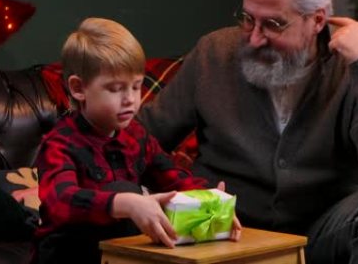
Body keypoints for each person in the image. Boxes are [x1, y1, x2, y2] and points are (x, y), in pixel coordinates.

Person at [139, 0, 358, 264]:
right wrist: (149, 199)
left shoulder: (348, 67)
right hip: (228, 237)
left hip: (318, 234)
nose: (255, 37)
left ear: (317, 20)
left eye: (273, 24)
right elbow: (138, 141)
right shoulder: (213, 54)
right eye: (248, 18)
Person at [33, 17, 242, 264]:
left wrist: (209, 199)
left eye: (135, 86)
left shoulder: (136, 135)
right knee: (123, 192)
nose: (130, 99)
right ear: (79, 88)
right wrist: (125, 203)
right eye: (115, 89)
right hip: (66, 253)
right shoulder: (60, 143)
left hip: (117, 250)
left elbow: (171, 175)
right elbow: (61, 199)